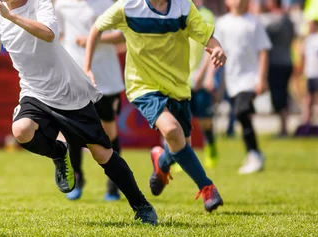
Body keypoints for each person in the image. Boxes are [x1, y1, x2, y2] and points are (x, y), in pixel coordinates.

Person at [0, 0, 157, 224]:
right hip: (35, 93)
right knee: (21, 130)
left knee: (101, 153)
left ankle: (140, 204)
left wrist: (12, 17)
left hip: (69, 92)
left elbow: (48, 34)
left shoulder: (39, 4)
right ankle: (58, 152)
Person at [84, 0, 227, 212]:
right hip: (143, 86)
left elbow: (206, 36)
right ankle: (207, 187)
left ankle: (161, 161)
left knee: (180, 143)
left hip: (178, 88)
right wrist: (87, 67)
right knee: (171, 130)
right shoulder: (128, 6)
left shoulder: (183, 7)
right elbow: (96, 28)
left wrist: (218, 49)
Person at [54, 0, 125, 202]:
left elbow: (123, 35)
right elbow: (58, 36)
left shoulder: (108, 4)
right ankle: (77, 176)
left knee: (108, 131)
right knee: (72, 127)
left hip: (105, 78)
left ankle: (114, 182)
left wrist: (93, 39)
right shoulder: (61, 5)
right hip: (74, 75)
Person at [210, 0, 272, 174]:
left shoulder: (254, 22)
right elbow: (215, 50)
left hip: (250, 78)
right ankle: (254, 152)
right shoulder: (222, 23)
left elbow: (264, 51)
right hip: (232, 80)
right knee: (242, 115)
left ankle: (254, 154)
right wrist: (209, 76)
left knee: (241, 111)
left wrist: (262, 78)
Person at [188, 0, 218, 169]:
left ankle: (211, 146)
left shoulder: (206, 15)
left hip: (199, 76)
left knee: (204, 120)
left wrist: (205, 75)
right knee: (180, 120)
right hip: (179, 78)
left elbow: (211, 45)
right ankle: (179, 155)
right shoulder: (175, 13)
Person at [260, 0, 296, 138]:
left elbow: (264, 38)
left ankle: (284, 129)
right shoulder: (289, 20)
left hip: (276, 63)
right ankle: (284, 128)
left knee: (279, 97)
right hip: (287, 60)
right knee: (283, 95)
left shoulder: (275, 22)